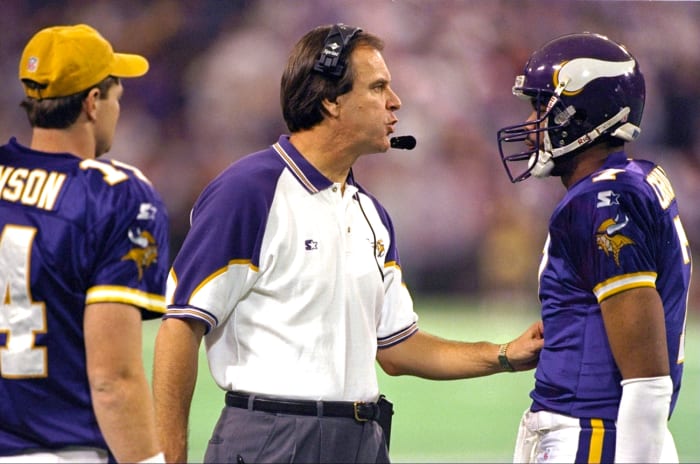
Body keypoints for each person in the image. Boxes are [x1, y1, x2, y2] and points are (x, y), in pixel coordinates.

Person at [153, 23, 543, 464]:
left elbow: (397, 347)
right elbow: (181, 325)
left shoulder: (371, 213)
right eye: (378, 87)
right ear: (331, 101)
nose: (395, 101)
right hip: (269, 437)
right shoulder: (248, 192)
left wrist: (504, 354)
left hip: (361, 438)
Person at [497, 32, 692, 463]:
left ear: (582, 115)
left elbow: (646, 378)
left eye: (542, 109)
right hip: (599, 431)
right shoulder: (630, 180)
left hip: (594, 434)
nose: (530, 126)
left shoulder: (602, 200)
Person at [0, 24, 168, 463]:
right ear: (93, 102)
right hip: (63, 449)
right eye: (116, 97)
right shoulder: (114, 194)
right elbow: (113, 379)